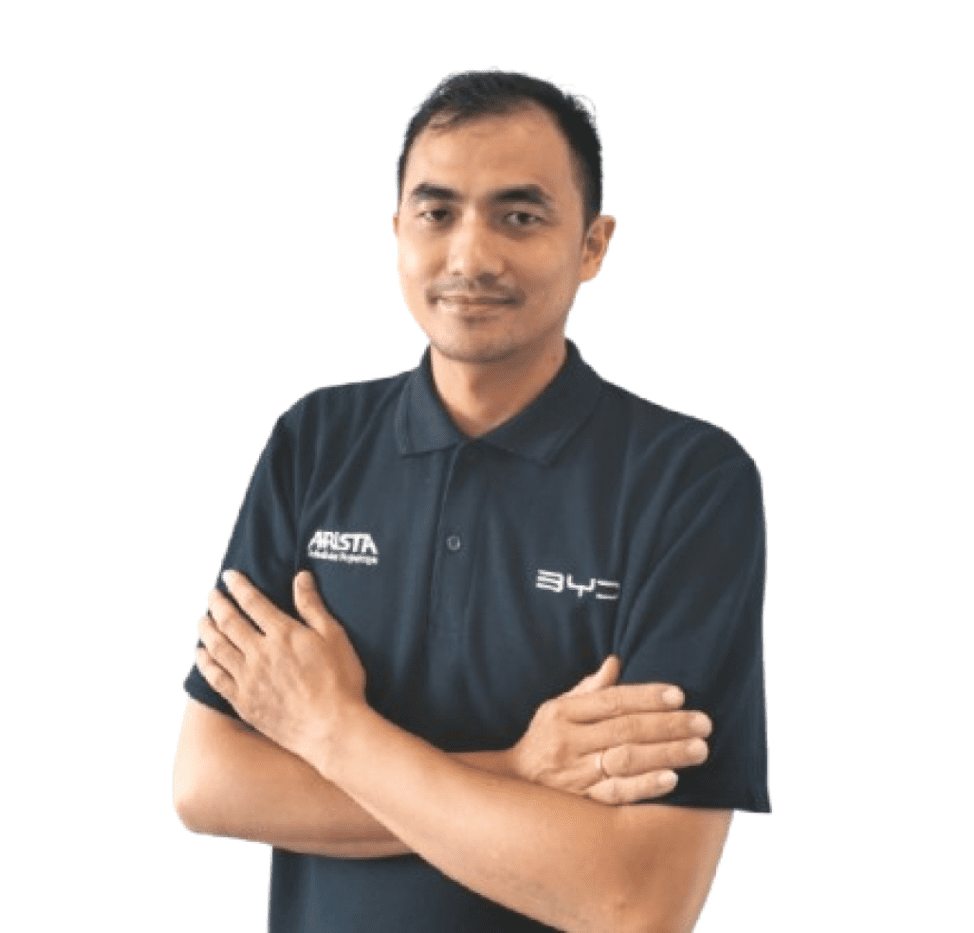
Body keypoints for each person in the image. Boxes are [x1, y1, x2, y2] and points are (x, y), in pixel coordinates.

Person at [173, 70, 769, 933]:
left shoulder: (687, 482)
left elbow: (634, 899)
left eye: (519, 216)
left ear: (593, 245)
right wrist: (519, 768)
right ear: (397, 231)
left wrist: (331, 731)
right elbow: (209, 783)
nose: (470, 257)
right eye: (437, 212)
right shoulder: (316, 442)